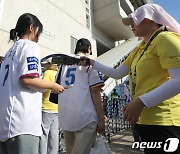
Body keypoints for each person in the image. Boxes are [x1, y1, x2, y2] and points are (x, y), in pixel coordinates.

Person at [79, 4, 180, 154]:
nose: (131, 26)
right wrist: (92, 63)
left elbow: (178, 81)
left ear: (148, 19)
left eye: (133, 21)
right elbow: (117, 73)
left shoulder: (165, 39)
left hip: (165, 121)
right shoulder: (140, 48)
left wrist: (140, 102)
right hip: (145, 120)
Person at [0, 13, 64, 154]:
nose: (38, 38)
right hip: (23, 123)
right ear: (31, 28)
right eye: (38, 33)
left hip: (5, 123)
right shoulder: (30, 46)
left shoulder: (10, 51)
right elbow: (28, 79)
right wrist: (53, 86)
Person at [58, 38, 105, 154]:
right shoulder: (89, 61)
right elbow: (95, 91)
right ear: (89, 49)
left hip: (66, 118)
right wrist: (101, 118)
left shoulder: (64, 62)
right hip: (85, 118)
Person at [39, 60, 59, 154]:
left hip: (46, 106)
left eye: (46, 64)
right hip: (57, 107)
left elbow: (43, 88)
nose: (45, 66)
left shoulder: (47, 73)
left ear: (50, 64)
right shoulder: (57, 73)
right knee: (54, 135)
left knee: (44, 134)